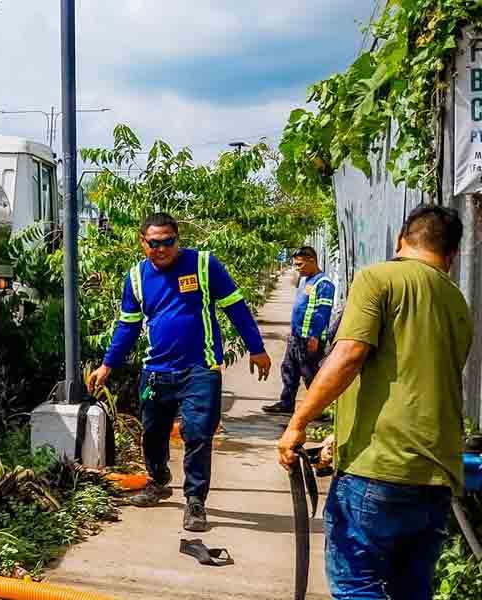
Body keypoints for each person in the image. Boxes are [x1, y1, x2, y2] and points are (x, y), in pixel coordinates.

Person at [277, 205, 472, 600]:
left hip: (378, 468)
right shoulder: (456, 301)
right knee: (411, 588)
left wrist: (298, 422)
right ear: (451, 256)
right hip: (435, 474)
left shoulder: (378, 278)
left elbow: (348, 355)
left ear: (401, 239)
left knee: (356, 583)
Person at [87, 212, 272, 532]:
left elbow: (236, 307)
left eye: (168, 242)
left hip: (200, 369)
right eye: (154, 243)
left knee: (198, 434)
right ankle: (159, 481)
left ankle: (195, 501)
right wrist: (108, 364)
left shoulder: (203, 265)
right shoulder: (135, 277)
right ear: (143, 242)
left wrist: (256, 347)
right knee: (153, 434)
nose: (161, 249)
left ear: (178, 239)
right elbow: (127, 328)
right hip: (156, 371)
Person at [263, 247, 336, 415]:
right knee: (289, 369)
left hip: (309, 338)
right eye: (295, 265)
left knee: (310, 375)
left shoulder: (323, 283)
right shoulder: (305, 280)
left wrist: (314, 336)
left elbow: (321, 312)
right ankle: (286, 403)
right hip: (296, 337)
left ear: (312, 261)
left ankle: (318, 410)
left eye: (300, 265)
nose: (297, 268)